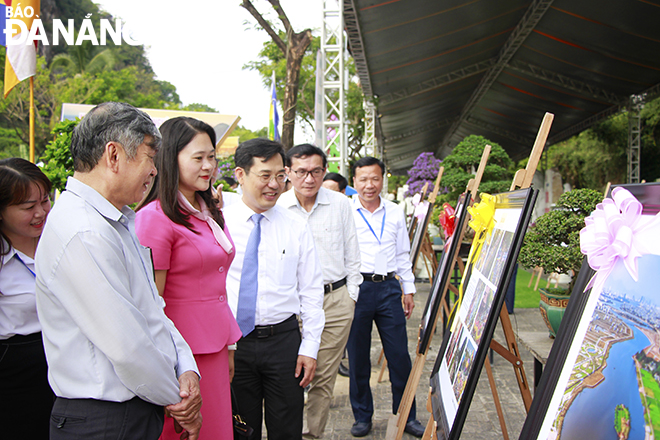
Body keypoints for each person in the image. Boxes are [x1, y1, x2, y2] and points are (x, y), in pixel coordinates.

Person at [35, 102, 202, 440]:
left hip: (130, 411)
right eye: (149, 158)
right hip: (103, 420)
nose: (155, 171)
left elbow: (153, 310)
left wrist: (186, 368)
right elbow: (128, 347)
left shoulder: (116, 221)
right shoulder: (84, 231)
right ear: (113, 156)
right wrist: (180, 400)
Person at [135, 117, 242, 439]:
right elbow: (153, 304)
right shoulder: (153, 219)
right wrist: (175, 366)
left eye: (212, 156)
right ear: (170, 158)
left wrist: (230, 345)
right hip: (182, 356)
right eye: (198, 158)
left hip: (216, 344)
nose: (209, 166)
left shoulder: (207, 210)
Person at [224, 138, 325, 440]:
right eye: (265, 176)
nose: (274, 185)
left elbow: (310, 291)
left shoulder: (295, 225)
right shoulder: (219, 224)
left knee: (287, 428)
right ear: (241, 175)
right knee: (242, 428)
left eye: (280, 176)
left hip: (283, 343)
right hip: (234, 345)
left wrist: (309, 348)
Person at [278, 144, 361, 439]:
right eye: (300, 171)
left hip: (336, 301)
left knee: (324, 377)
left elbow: (353, 252)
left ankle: (312, 434)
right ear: (288, 172)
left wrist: (351, 295)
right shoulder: (277, 206)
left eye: (315, 171)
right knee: (291, 375)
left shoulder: (340, 204)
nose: (309, 179)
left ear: (324, 171)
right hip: (293, 304)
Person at [347, 156, 425, 438]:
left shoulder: (394, 211)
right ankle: (362, 416)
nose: (370, 185)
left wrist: (408, 288)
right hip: (357, 289)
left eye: (375, 178)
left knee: (398, 356)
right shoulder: (346, 210)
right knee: (357, 357)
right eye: (363, 179)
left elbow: (402, 253)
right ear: (354, 182)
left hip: (389, 287)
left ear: (383, 179)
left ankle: (406, 415)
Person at [0, 158, 55, 438]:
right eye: (27, 207)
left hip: (65, 359)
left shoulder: (58, 243)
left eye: (45, 201)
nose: (41, 212)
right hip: (17, 373)